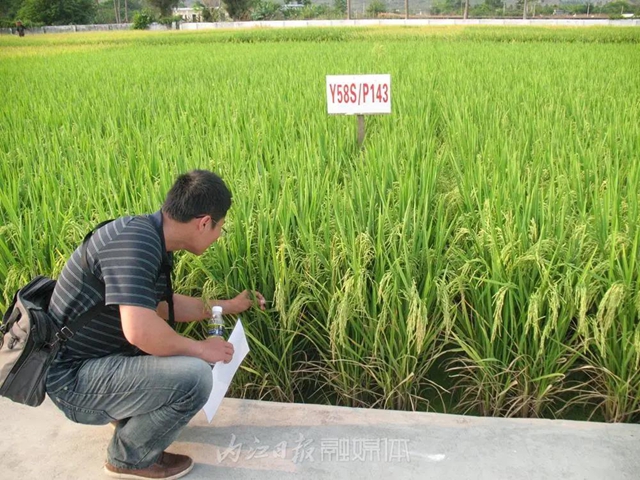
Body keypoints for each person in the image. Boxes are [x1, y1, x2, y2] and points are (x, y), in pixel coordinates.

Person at [46, 170, 266, 480]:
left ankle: (127, 415)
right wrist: (203, 350)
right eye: (220, 228)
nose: (218, 236)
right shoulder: (137, 246)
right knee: (194, 377)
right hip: (73, 382)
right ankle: (129, 458)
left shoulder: (145, 235)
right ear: (204, 222)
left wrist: (225, 305)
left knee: (178, 360)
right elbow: (141, 331)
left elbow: (162, 307)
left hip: (93, 364)